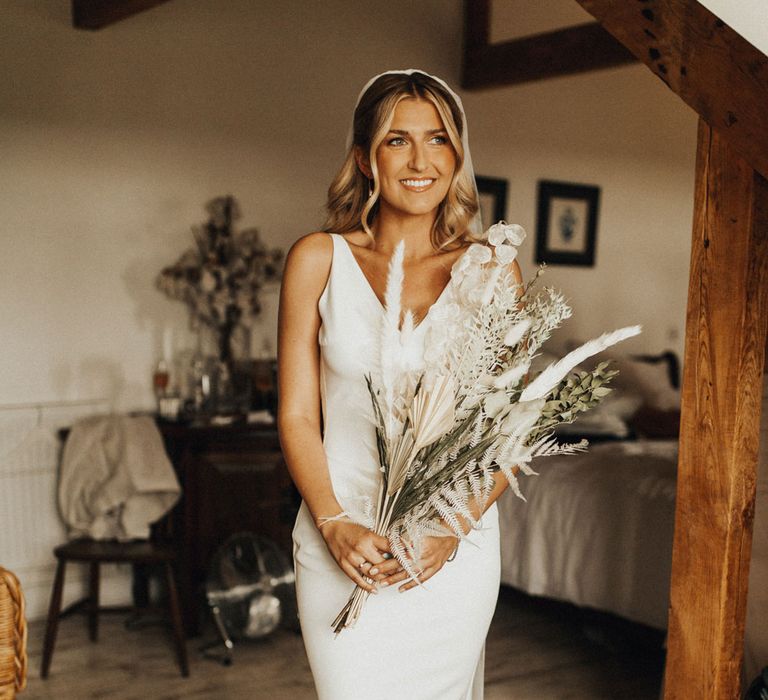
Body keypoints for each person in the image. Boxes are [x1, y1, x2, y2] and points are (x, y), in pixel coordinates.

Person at [277, 69, 524, 700]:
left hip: (450, 550)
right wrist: (333, 524)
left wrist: (453, 527)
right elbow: (300, 414)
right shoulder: (317, 259)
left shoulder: (493, 269)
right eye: (397, 140)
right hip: (342, 536)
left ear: (458, 154)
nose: (420, 160)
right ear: (365, 157)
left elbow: (512, 424)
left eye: (438, 139)